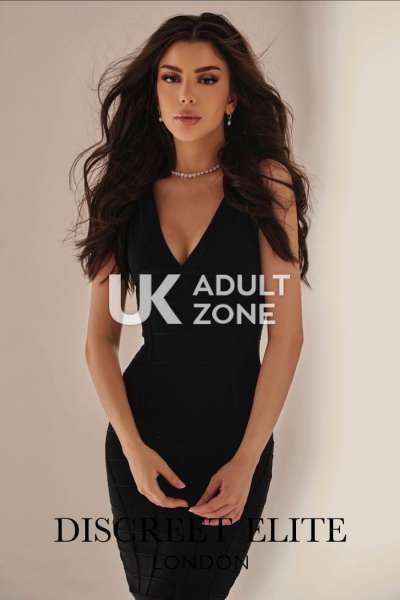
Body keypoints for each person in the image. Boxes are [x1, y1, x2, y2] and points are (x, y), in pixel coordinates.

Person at [70, 12, 310, 600]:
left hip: (233, 439)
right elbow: (100, 340)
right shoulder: (124, 192)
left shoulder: (266, 184)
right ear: (153, 93)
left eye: (206, 79)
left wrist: (247, 458)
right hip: (143, 440)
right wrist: (133, 449)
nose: (186, 94)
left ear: (232, 97)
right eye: (171, 77)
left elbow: (285, 336)